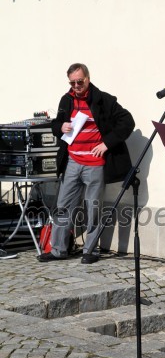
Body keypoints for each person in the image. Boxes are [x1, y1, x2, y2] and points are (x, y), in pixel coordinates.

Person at [38, 63, 135, 264]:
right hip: (72, 160)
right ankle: (58, 250)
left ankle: (90, 251)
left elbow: (127, 122)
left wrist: (106, 144)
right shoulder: (66, 99)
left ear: (88, 79)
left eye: (80, 81)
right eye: (72, 83)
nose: (76, 86)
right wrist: (60, 126)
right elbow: (56, 123)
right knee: (63, 206)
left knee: (93, 207)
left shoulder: (103, 100)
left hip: (95, 163)